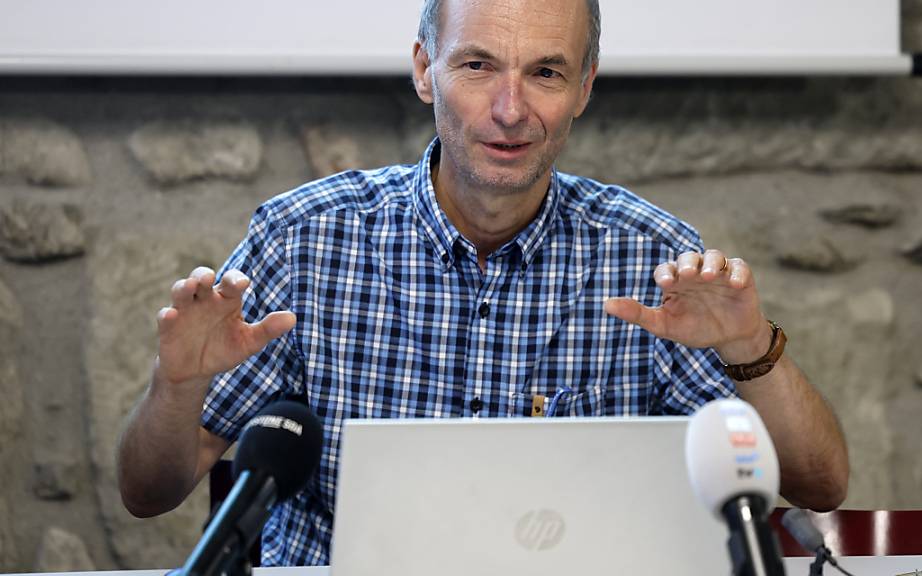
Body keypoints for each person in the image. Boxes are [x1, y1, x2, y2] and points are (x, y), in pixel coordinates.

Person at [118, 0, 849, 566]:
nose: (510, 109)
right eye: (477, 66)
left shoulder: (648, 257)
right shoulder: (304, 241)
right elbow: (149, 493)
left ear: (585, 87)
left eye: (546, 72)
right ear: (421, 68)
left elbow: (819, 488)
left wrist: (752, 344)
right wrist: (177, 385)